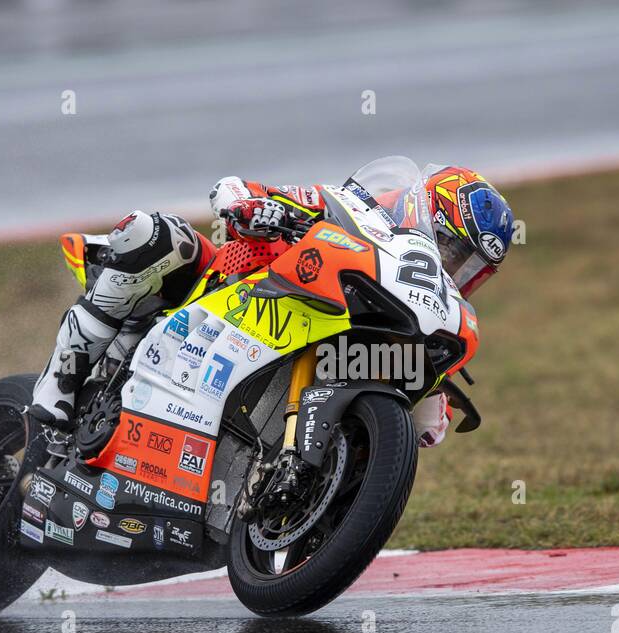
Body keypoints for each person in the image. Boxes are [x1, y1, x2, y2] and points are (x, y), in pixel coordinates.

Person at [28, 166, 515, 447]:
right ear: (424, 212)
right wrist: (258, 206)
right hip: (217, 295)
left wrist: (424, 397)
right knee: (156, 235)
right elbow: (233, 190)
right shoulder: (353, 209)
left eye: (469, 267)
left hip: (285, 351)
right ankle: (62, 379)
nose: (453, 269)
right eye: (452, 249)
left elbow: (427, 435)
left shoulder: (413, 313)